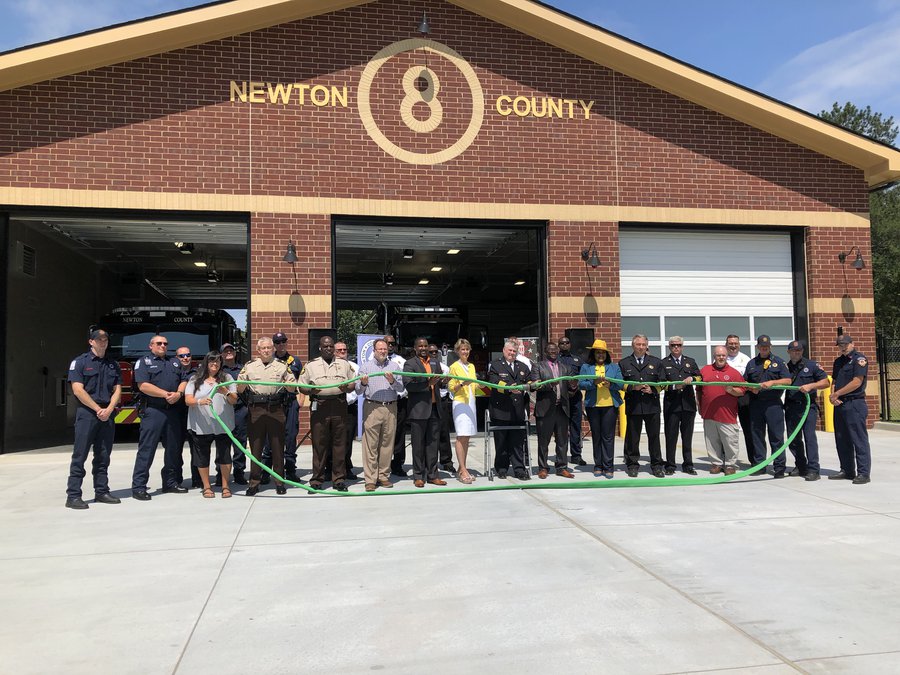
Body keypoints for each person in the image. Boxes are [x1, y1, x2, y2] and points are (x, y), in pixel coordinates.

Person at [65, 329, 122, 509]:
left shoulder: (113, 364)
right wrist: (98, 409)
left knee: (103, 455)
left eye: (105, 339)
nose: (103, 342)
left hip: (107, 413)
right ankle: (73, 495)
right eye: (99, 339)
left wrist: (109, 409)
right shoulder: (80, 362)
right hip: (88, 413)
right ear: (91, 342)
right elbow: (78, 390)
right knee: (80, 455)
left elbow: (118, 389)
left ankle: (101, 491)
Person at [131, 334, 189, 500]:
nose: (163, 346)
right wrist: (166, 394)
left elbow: (184, 379)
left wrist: (179, 393)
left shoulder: (175, 362)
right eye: (159, 343)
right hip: (153, 411)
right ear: (151, 346)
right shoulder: (143, 362)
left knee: (173, 449)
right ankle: (139, 487)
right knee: (147, 449)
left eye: (165, 343)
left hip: (173, 411)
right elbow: (143, 385)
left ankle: (170, 483)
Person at [237, 337, 298, 496]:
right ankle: (254, 483)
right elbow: (240, 388)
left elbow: (292, 388)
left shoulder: (282, 366)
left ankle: (279, 482)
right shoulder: (249, 366)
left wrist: (288, 384)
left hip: (276, 408)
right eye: (263, 348)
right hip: (256, 409)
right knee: (256, 448)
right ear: (258, 350)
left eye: (269, 348)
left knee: (277, 447)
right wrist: (241, 384)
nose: (266, 350)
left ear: (273, 349)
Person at [297, 336, 355, 491]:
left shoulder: (344, 364)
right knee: (319, 444)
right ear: (320, 348)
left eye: (331, 346)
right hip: (320, 406)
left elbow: (352, 383)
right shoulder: (311, 365)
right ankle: (317, 480)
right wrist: (311, 390)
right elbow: (301, 386)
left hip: (339, 405)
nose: (328, 349)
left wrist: (347, 388)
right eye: (325, 346)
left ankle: (339, 479)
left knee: (339, 444)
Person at [184, 351, 239, 498]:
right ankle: (207, 487)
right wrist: (199, 401)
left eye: (217, 361)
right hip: (201, 426)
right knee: (202, 457)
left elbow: (234, 400)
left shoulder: (227, 378)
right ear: (206, 363)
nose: (215, 364)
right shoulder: (195, 379)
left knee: (225, 456)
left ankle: (225, 486)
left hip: (223, 425)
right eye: (211, 361)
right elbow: (187, 400)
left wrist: (226, 392)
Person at [355, 339, 404, 491]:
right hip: (372, 407)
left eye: (385, 349)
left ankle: (383, 476)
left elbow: (401, 388)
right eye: (380, 349)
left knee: (387, 444)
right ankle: (370, 479)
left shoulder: (394, 366)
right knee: (370, 445)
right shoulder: (366, 367)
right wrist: (363, 383)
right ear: (374, 351)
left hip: (390, 408)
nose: (383, 351)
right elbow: (358, 390)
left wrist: (392, 381)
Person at [744, 335, 791, 477]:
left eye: (767, 346)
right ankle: (760, 465)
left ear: (770, 346)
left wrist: (773, 383)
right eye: (762, 346)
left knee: (776, 437)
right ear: (758, 347)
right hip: (756, 404)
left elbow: (788, 381)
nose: (764, 348)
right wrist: (751, 388)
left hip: (773, 404)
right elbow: (745, 382)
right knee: (757, 435)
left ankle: (779, 467)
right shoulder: (752, 363)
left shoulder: (779, 362)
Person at [403, 337, 448, 487]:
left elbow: (438, 383)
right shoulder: (410, 364)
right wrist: (428, 383)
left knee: (433, 445)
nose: (423, 348)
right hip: (419, 410)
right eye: (420, 346)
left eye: (425, 346)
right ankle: (418, 476)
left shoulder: (435, 362)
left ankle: (433, 475)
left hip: (435, 409)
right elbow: (409, 385)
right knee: (418, 445)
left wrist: (443, 382)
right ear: (415, 348)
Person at [618, 334, 664, 477]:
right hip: (634, 405)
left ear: (647, 346)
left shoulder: (656, 362)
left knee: (654, 437)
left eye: (643, 345)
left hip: (652, 406)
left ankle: (656, 465)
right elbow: (620, 383)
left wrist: (653, 389)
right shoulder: (624, 363)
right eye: (638, 344)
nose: (641, 347)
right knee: (633, 437)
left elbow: (663, 381)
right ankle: (632, 464)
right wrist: (633, 387)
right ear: (633, 346)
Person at [828, 335, 872, 484]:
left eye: (845, 344)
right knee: (842, 439)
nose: (843, 347)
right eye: (840, 345)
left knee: (858, 439)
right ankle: (847, 470)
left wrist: (837, 393)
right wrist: (832, 396)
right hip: (840, 404)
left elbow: (857, 382)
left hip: (854, 403)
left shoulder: (859, 359)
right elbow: (834, 381)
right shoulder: (838, 361)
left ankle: (863, 473)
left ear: (852, 344)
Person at [784, 340, 830, 481]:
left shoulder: (812, 365)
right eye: (793, 350)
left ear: (802, 351)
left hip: (807, 407)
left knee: (809, 438)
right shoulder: (785, 367)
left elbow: (826, 382)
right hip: (791, 407)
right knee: (793, 439)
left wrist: (811, 386)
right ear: (789, 352)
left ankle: (813, 469)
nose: (796, 352)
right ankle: (801, 466)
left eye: (799, 350)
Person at [530, 341, 576, 479]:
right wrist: (550, 385)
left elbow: (571, 390)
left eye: (555, 350)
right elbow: (535, 385)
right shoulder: (538, 366)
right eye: (550, 350)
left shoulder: (566, 367)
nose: (553, 352)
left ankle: (562, 467)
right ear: (545, 352)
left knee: (562, 441)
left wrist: (574, 386)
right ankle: (543, 468)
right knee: (543, 441)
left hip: (562, 408)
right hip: (545, 409)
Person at [578, 339, 623, 478]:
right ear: (593, 354)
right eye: (597, 352)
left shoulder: (614, 367)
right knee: (596, 436)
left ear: (606, 354)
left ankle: (608, 466)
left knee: (608, 437)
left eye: (603, 352)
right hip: (593, 406)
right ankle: (598, 465)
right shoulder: (586, 367)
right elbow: (581, 384)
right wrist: (593, 383)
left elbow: (621, 384)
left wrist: (611, 385)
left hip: (610, 406)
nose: (600, 355)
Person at [697, 346, 746, 475]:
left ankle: (730, 465)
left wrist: (732, 390)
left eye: (723, 355)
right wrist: (699, 405)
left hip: (727, 414)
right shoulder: (705, 370)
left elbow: (742, 391)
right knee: (712, 441)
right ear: (714, 356)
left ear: (727, 356)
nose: (721, 357)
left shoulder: (734, 373)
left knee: (730, 441)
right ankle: (716, 463)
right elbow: (699, 390)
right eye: (718, 355)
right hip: (709, 413)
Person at [488, 339, 532, 480]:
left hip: (517, 410)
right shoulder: (495, 365)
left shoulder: (522, 366)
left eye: (514, 351)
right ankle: (501, 468)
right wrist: (509, 388)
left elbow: (530, 381)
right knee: (501, 442)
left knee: (517, 443)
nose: (512, 353)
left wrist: (531, 385)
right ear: (504, 350)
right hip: (501, 410)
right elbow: (494, 382)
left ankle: (519, 469)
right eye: (510, 350)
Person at [660, 336, 701, 475]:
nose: (676, 347)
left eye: (678, 345)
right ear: (669, 347)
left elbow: (700, 377)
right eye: (673, 345)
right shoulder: (663, 363)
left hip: (688, 405)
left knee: (687, 437)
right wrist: (674, 386)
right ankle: (670, 465)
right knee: (671, 436)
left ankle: (688, 464)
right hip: (672, 405)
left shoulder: (690, 361)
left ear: (682, 346)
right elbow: (661, 383)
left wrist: (692, 378)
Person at [215, 343, 248, 485]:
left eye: (231, 350)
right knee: (222, 443)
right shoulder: (218, 371)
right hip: (223, 410)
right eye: (225, 351)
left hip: (240, 410)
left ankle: (239, 472)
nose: (228, 352)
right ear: (221, 355)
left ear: (235, 353)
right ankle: (221, 474)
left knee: (240, 443)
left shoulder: (242, 369)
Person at [272, 331, 302, 482]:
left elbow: (302, 382)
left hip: (290, 403)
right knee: (271, 438)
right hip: (274, 404)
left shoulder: (295, 361)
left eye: (283, 341)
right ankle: (267, 471)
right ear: (274, 345)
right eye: (278, 342)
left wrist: (300, 400)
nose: (281, 344)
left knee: (290, 437)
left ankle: (290, 470)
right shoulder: (270, 361)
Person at [448, 339, 477, 483]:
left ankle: (462, 467)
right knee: (461, 436)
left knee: (467, 437)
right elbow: (451, 387)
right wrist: (461, 384)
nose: (465, 352)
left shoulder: (471, 366)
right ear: (457, 351)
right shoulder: (454, 367)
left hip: (471, 402)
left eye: (467, 349)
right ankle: (463, 470)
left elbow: (475, 384)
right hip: (460, 402)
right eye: (462, 349)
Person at [173, 346, 202, 489]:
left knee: (196, 448)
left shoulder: (198, 373)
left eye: (188, 355)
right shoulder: (172, 372)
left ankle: (197, 479)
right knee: (175, 449)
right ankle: (176, 479)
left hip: (194, 414)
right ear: (176, 358)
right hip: (176, 414)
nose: (185, 358)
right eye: (181, 356)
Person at [725, 335, 754, 464]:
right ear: (726, 345)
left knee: (748, 429)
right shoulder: (722, 358)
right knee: (725, 429)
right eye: (730, 343)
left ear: (739, 344)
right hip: (726, 396)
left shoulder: (746, 359)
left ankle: (754, 460)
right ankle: (725, 459)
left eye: (735, 343)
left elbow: (751, 379)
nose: (733, 346)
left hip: (743, 397)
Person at [557, 336, 586, 466]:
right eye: (562, 343)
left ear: (570, 344)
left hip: (575, 397)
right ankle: (561, 456)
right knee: (561, 428)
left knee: (576, 427)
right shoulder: (555, 360)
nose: (565, 345)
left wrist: (576, 387)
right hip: (561, 398)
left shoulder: (577, 359)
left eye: (567, 343)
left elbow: (583, 376)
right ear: (559, 345)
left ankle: (576, 455)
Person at [334, 341, 360, 480]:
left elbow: (358, 387)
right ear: (334, 352)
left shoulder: (354, 367)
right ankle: (330, 468)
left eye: (344, 349)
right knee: (332, 439)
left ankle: (346, 467)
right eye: (339, 350)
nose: (342, 352)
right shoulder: (330, 366)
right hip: (333, 406)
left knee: (348, 440)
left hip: (349, 407)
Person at [386, 335, 410, 477]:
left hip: (399, 401)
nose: (390, 346)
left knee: (399, 433)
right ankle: (383, 463)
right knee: (384, 434)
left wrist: (401, 393)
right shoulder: (374, 360)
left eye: (392, 343)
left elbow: (406, 382)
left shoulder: (401, 361)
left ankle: (398, 464)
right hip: (382, 402)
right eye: (387, 343)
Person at [431, 343, 455, 473]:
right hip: (428, 402)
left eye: (436, 352)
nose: (434, 354)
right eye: (431, 352)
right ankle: (430, 462)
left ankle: (446, 461)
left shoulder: (445, 368)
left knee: (444, 432)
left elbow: (449, 386)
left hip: (442, 401)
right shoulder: (423, 367)